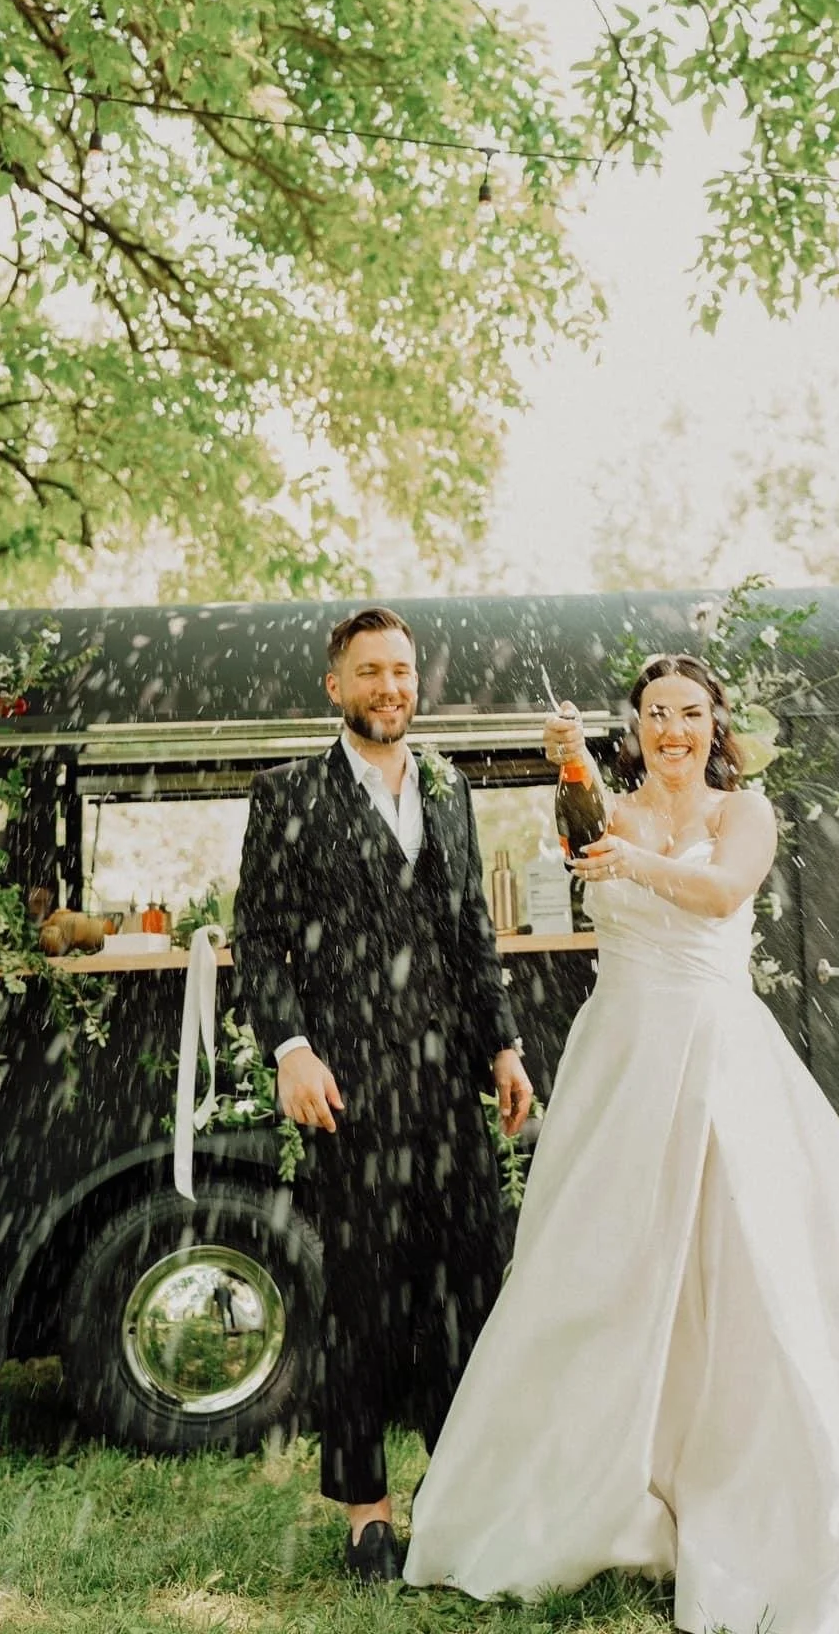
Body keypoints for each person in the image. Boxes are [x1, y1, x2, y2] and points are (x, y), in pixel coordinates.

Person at [404, 653, 839, 1633]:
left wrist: (636, 861)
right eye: (656, 712)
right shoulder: (608, 805)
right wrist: (568, 764)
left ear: (714, 722)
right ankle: (590, 1490)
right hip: (621, 1056)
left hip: (719, 1052)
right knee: (601, 1266)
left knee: (752, 1261)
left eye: (689, 712)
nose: (673, 729)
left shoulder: (746, 811)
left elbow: (723, 893)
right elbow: (581, 836)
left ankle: (760, 1473)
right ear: (635, 726)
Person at [233, 606, 532, 1583]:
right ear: (336, 685)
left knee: (466, 1291)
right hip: (349, 1087)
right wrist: (291, 1049)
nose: (389, 688)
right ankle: (367, 1513)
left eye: (400, 670)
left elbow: (471, 932)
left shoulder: (449, 786)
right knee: (363, 1297)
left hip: (448, 1086)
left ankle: (460, 1493)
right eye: (369, 672)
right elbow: (260, 937)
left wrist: (502, 1047)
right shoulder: (288, 794)